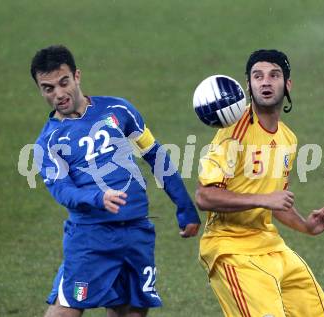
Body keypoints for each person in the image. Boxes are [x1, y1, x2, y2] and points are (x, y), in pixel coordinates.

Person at [30, 45, 200, 317]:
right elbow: (63, 191)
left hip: (136, 232)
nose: (59, 94)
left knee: (131, 312)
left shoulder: (119, 110)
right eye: (48, 88)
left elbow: (155, 155)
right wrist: (98, 198)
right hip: (90, 237)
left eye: (64, 82)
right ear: (41, 90)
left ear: (77, 76)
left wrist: (184, 207)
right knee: (65, 312)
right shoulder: (47, 143)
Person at [196, 49, 324, 317]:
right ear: (248, 85)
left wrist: (306, 225)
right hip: (230, 249)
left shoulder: (288, 139)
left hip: (271, 246)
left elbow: (277, 200)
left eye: (274, 75)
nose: (266, 82)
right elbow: (205, 197)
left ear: (288, 84)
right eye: (257, 76)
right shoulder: (233, 131)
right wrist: (263, 200)